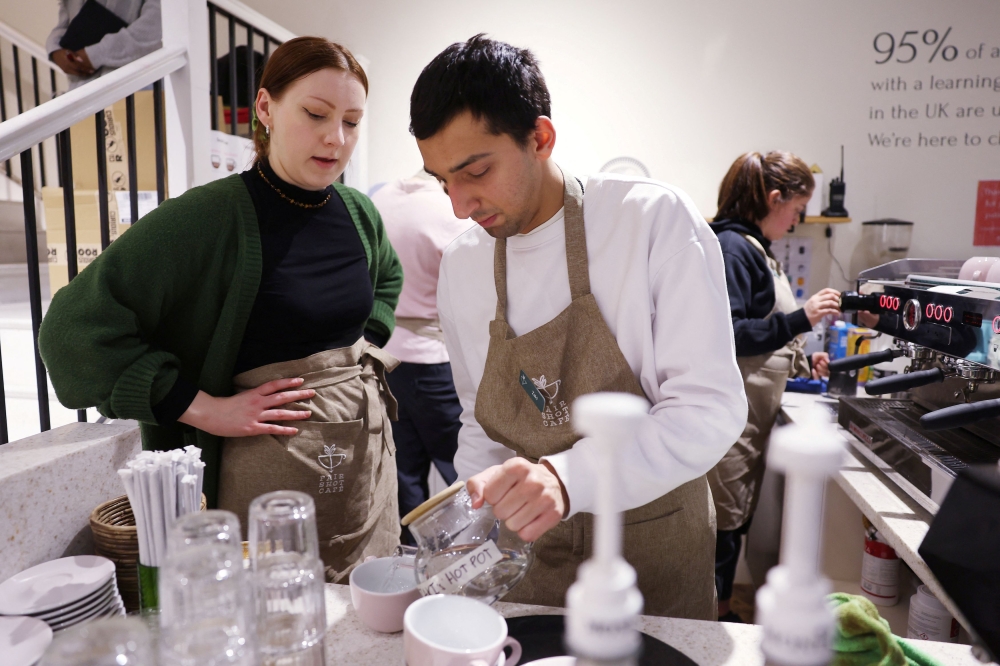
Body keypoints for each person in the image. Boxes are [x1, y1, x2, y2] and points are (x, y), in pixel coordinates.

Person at [39, 37, 403, 582]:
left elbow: (388, 278)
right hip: (265, 479)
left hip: (366, 464)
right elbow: (72, 330)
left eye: (352, 121)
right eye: (315, 114)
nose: (336, 138)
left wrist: (363, 346)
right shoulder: (207, 218)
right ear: (265, 109)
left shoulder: (357, 212)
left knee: (368, 612)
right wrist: (201, 406)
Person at [410, 34, 748, 619]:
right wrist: (466, 528)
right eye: (443, 180)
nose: (460, 205)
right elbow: (480, 425)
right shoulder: (464, 264)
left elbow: (708, 408)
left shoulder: (650, 221)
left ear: (540, 138)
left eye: (476, 171)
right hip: (527, 558)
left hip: (654, 550)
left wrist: (567, 480)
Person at [707, 151, 841, 621]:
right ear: (773, 197)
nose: (797, 219)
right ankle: (715, 614)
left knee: (733, 519)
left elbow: (765, 335)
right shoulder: (734, 249)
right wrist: (802, 318)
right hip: (732, 415)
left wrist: (805, 365)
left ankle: (720, 608)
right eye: (796, 209)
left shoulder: (756, 248)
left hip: (752, 414)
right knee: (722, 524)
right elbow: (733, 333)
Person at [371, 175, 474, 543]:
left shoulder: (379, 198)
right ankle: (471, 556)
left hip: (385, 359)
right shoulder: (451, 211)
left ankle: (414, 564)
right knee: (462, 469)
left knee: (404, 474)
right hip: (434, 362)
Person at [47, 0, 162, 89]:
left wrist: (95, 54)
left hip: (133, 83)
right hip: (83, 89)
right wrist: (55, 50)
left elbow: (155, 27)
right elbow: (65, 23)